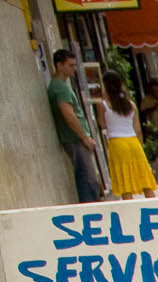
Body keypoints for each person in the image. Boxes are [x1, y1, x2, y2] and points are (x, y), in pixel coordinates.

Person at [92, 70, 157, 201]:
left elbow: (102, 124)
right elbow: (138, 129)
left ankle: (130, 207)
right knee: (144, 176)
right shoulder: (131, 104)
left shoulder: (103, 105)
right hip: (133, 142)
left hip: (117, 143)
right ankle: (153, 203)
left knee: (124, 180)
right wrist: (140, 144)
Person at [47, 50, 100, 203]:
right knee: (87, 178)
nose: (74, 69)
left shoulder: (61, 85)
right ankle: (91, 209)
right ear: (59, 65)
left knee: (87, 176)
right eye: (70, 65)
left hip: (75, 138)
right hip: (75, 139)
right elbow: (69, 115)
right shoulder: (60, 88)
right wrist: (85, 138)